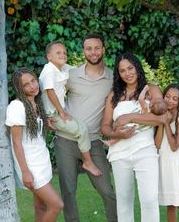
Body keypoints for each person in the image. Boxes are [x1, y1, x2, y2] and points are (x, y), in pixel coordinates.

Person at [53, 33, 117, 222]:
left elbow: (122, 103)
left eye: (97, 48)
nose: (93, 52)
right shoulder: (70, 74)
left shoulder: (113, 77)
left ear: (103, 49)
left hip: (94, 142)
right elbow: (49, 92)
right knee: (69, 192)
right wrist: (50, 117)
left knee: (107, 191)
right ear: (83, 51)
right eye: (89, 48)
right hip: (65, 140)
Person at [101, 52, 168, 222]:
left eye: (130, 68)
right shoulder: (113, 96)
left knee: (149, 200)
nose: (127, 73)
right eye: (122, 70)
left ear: (137, 68)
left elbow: (162, 117)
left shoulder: (151, 89)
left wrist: (129, 117)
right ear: (118, 73)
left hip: (145, 151)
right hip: (119, 154)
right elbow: (105, 126)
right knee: (123, 201)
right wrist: (117, 134)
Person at [5, 68, 63, 222]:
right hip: (30, 165)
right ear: (19, 89)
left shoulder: (36, 103)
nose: (32, 86)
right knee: (56, 205)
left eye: (33, 80)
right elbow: (16, 142)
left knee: (41, 207)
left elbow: (34, 130)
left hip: (42, 160)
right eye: (26, 85)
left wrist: (46, 122)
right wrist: (25, 172)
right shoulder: (17, 107)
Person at [39, 40, 101, 177]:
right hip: (53, 115)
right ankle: (87, 162)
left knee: (80, 128)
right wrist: (62, 112)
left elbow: (78, 69)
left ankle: (81, 153)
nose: (63, 55)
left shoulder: (62, 68)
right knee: (82, 129)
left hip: (58, 112)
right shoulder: (49, 70)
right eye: (58, 53)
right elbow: (50, 92)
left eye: (65, 53)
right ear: (49, 57)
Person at [155, 83, 179, 222]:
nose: (169, 100)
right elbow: (158, 144)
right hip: (165, 165)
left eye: (174, 98)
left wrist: (166, 123)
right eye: (167, 96)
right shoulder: (162, 116)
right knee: (171, 205)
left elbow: (174, 146)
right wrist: (161, 121)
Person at [102, 88, 167, 146]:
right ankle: (111, 142)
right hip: (139, 129)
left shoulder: (146, 107)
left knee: (122, 128)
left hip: (133, 124)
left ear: (152, 105)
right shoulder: (152, 114)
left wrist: (144, 90)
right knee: (125, 131)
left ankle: (111, 142)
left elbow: (140, 98)